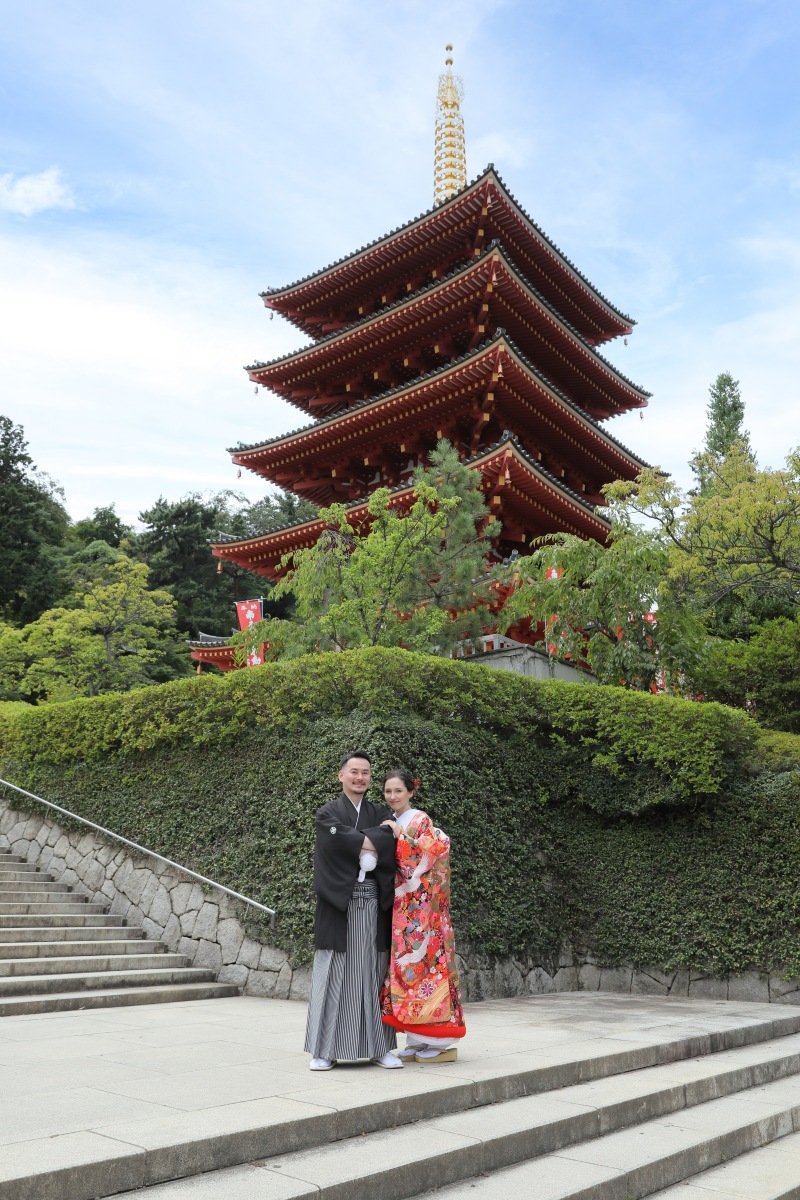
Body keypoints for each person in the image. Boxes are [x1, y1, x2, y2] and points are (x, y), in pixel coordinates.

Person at [304, 751, 403, 1071]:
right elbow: (334, 846)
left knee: (373, 973)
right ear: (341, 775)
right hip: (339, 906)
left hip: (373, 905)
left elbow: (389, 842)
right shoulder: (326, 813)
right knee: (334, 973)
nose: (360, 777)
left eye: (366, 773)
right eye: (354, 772)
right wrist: (374, 838)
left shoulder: (379, 811)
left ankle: (379, 1047)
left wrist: (361, 841)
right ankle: (324, 1050)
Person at [379, 769, 466, 1063]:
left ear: (410, 792)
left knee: (428, 967)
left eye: (398, 791)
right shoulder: (394, 819)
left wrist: (399, 836)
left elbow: (433, 853)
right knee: (407, 972)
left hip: (422, 911)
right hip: (403, 909)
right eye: (388, 791)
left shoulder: (419, 819)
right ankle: (417, 1039)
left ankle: (439, 1041)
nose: (393, 796)